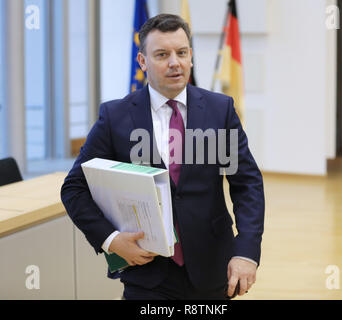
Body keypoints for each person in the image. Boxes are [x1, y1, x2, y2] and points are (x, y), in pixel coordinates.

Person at [61, 13, 265, 300]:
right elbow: (74, 188)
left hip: (212, 268)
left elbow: (247, 185)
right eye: (161, 54)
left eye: (181, 53)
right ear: (143, 61)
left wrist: (246, 252)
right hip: (145, 272)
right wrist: (112, 240)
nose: (174, 62)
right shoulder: (115, 116)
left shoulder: (220, 111)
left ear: (191, 56)